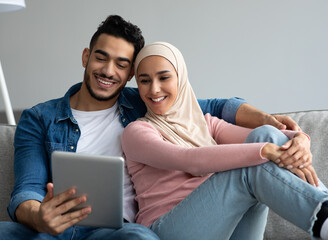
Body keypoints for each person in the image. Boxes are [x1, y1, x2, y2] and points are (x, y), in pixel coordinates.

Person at [0, 15, 303, 240]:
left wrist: (268, 120)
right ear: (86, 56)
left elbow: (214, 107)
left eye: (121, 64)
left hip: (118, 230)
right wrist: (39, 216)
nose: (108, 70)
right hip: (50, 229)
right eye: (101, 57)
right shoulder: (39, 117)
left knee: (142, 238)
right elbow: (25, 190)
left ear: (130, 74)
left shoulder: (143, 100)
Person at [121, 41, 328, 240]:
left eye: (164, 78)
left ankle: (324, 203)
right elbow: (188, 160)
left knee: (264, 133)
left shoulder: (206, 124)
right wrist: (265, 152)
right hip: (166, 229)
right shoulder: (136, 132)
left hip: (222, 229)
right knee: (252, 166)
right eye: (145, 80)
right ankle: (323, 218)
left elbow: (264, 137)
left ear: (181, 79)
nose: (154, 89)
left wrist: (301, 139)